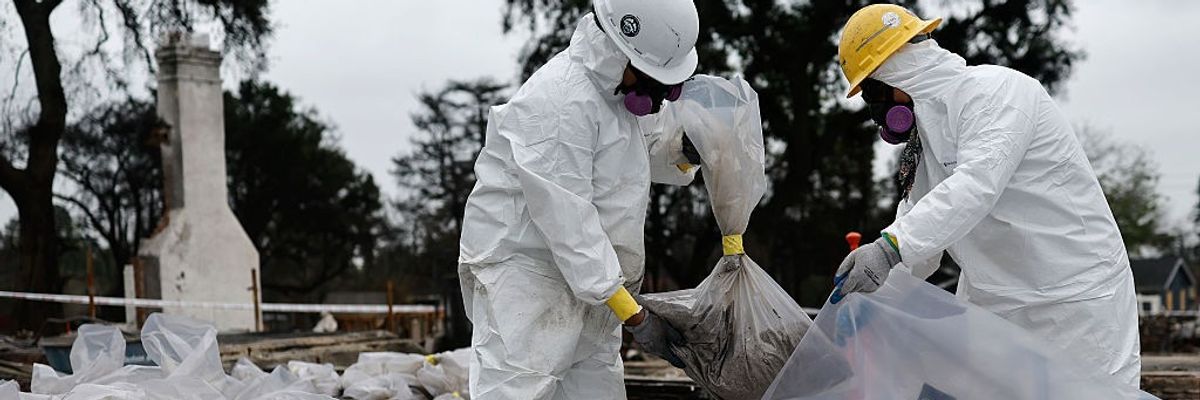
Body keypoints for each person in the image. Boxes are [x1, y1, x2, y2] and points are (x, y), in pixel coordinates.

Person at [830, 4, 1141, 387]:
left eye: (874, 93)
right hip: (998, 306)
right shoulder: (928, 139)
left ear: (900, 67)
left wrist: (888, 249)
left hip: (1074, 301)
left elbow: (976, 185)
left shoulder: (998, 93)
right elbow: (922, 234)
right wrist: (873, 299)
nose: (877, 111)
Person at [457, 0, 702, 398]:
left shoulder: (618, 93)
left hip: (595, 288)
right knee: (518, 391)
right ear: (622, 50)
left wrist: (685, 148)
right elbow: (570, 222)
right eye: (655, 81)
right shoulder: (558, 101)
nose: (659, 96)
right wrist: (635, 317)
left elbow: (637, 148)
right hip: (527, 281)